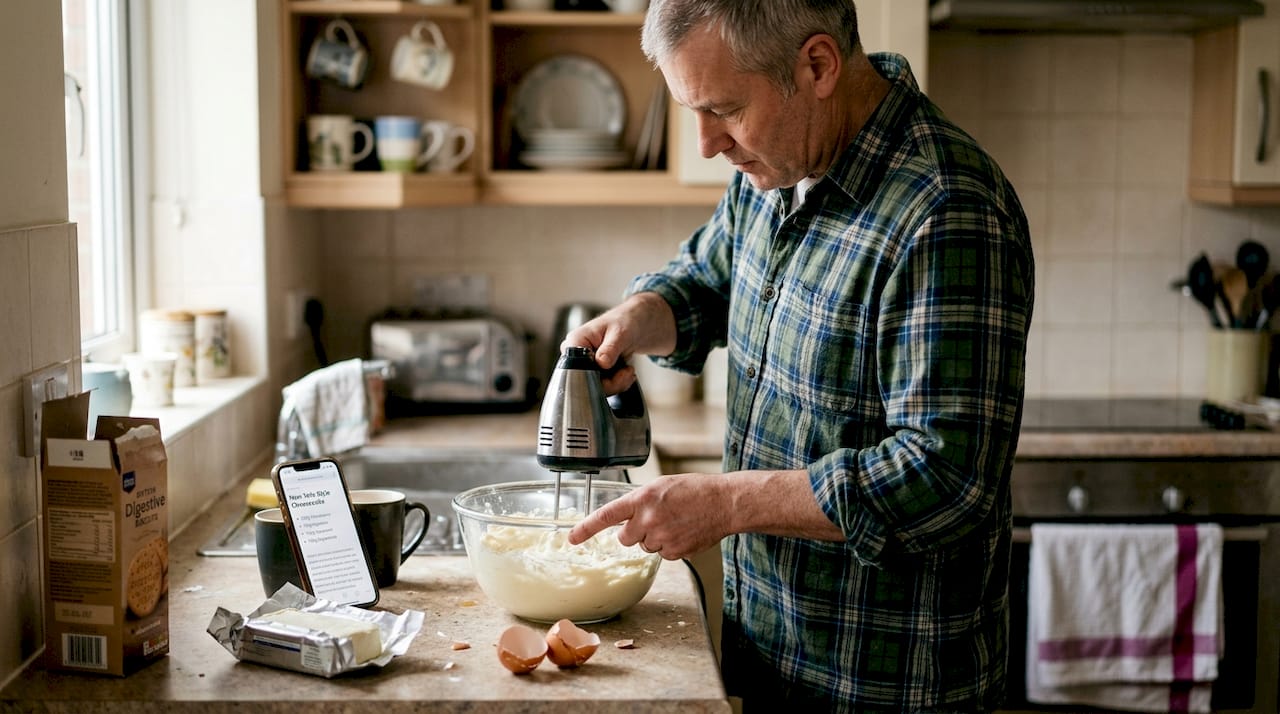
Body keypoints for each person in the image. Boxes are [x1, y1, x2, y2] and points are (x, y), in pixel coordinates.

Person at [564, 0, 1034, 711]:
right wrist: (643, 315)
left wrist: (727, 503)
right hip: (771, 651)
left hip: (885, 685)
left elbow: (946, 480)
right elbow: (711, 276)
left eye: (722, 109)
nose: (705, 143)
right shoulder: (778, 162)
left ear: (816, 65)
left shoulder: (946, 210)